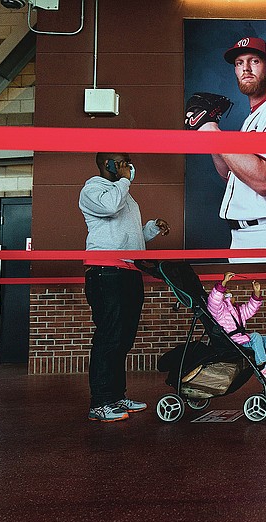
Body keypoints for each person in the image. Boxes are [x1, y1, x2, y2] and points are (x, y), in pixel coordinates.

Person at [79, 153, 170, 422]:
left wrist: (151, 229)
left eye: (127, 162)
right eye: (120, 162)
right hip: (105, 272)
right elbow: (109, 209)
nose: (127, 167)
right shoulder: (93, 189)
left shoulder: (123, 193)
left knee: (123, 339)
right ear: (106, 164)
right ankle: (100, 403)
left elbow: (127, 236)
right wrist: (123, 181)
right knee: (109, 337)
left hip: (128, 271)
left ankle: (115, 397)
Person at [195, 37, 266, 263]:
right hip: (243, 235)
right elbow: (231, 176)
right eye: (239, 63)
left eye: (254, 61)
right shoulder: (252, 117)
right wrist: (210, 130)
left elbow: (265, 180)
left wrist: (214, 134)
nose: (246, 68)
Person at [207, 272, 266, 378]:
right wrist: (224, 283)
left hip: (242, 339)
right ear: (224, 298)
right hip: (233, 341)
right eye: (229, 295)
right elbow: (214, 300)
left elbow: (250, 309)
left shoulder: (237, 311)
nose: (232, 296)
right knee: (255, 336)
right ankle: (263, 368)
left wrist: (256, 293)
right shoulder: (218, 312)